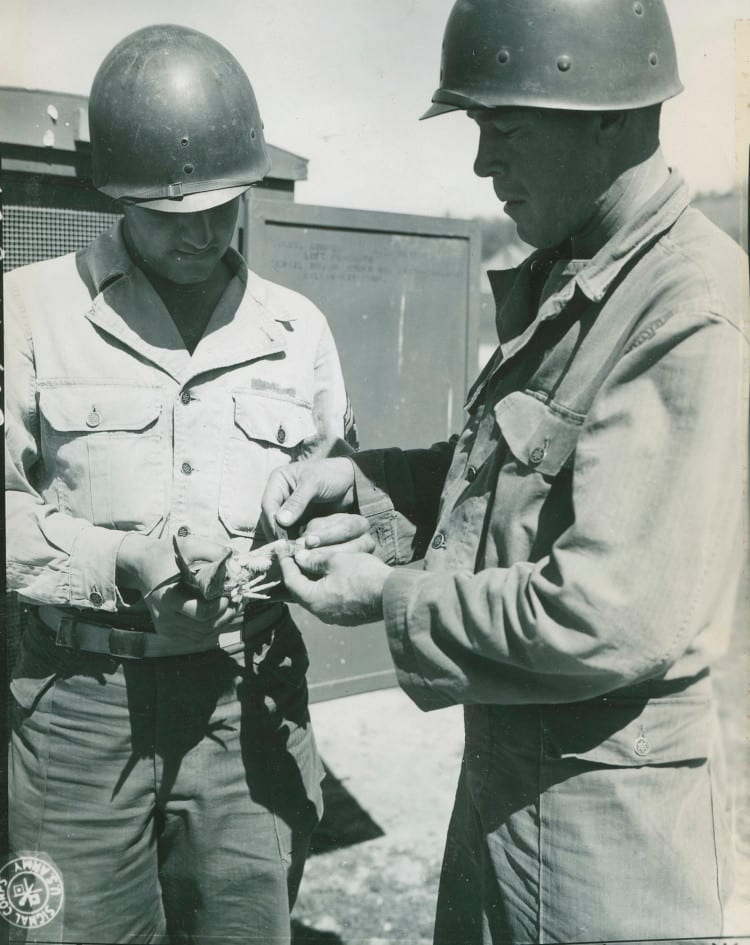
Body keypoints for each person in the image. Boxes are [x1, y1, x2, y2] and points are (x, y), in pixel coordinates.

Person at [261, 0, 749, 941]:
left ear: (604, 114)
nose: (484, 162)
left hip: (603, 834)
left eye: (503, 126)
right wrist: (363, 484)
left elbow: (603, 613)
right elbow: (517, 471)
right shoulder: (584, 271)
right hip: (517, 787)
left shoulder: (683, 306)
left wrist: (387, 595)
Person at [5, 24, 363, 945]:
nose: (203, 233)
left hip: (247, 706)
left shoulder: (299, 330)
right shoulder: (29, 311)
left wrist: (319, 546)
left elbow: (345, 499)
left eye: (224, 208)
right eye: (173, 215)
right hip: (78, 709)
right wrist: (123, 560)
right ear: (117, 196)